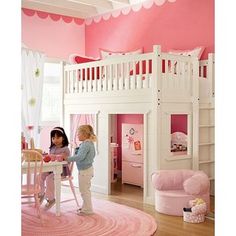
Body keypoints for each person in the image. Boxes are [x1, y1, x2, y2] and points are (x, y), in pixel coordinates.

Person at [65, 125, 96, 215]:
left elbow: (79, 157)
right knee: (85, 190)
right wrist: (76, 148)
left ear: (84, 134)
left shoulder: (86, 144)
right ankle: (86, 207)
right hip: (87, 170)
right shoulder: (89, 143)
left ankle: (88, 210)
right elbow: (82, 155)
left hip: (85, 171)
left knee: (84, 191)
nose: (77, 135)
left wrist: (67, 159)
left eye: (79, 133)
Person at [39, 127, 70, 209]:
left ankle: (51, 199)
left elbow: (67, 160)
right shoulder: (52, 148)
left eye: (58, 137)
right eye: (53, 138)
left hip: (62, 171)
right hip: (51, 169)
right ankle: (40, 193)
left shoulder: (65, 149)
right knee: (40, 175)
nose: (55, 140)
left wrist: (57, 157)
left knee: (49, 179)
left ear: (63, 138)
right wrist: (46, 157)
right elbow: (50, 159)